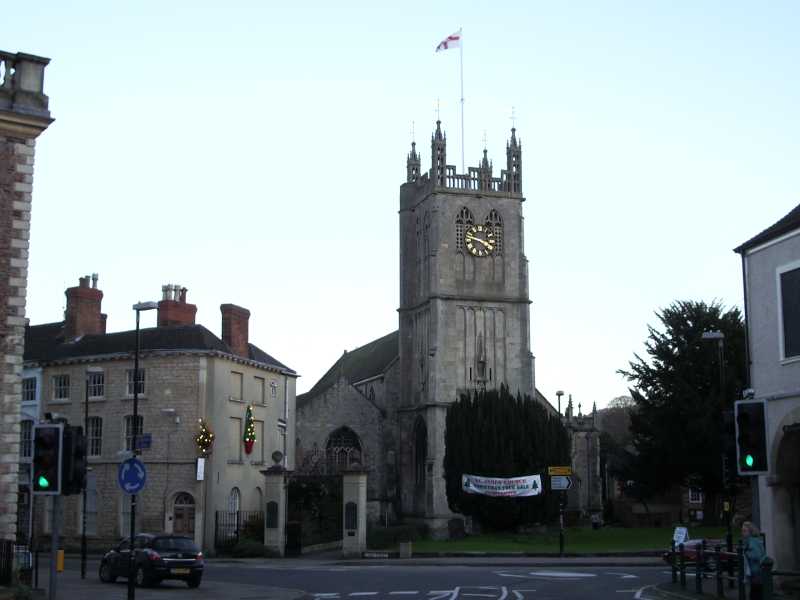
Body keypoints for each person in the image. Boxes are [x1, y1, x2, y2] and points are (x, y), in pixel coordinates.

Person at [741, 521, 766, 600]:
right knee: (755, 593)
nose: (742, 533)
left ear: (750, 532)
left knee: (755, 594)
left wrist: (747, 553)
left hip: (756, 572)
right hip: (755, 572)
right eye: (742, 531)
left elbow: (758, 555)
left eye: (745, 531)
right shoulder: (753, 541)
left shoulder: (752, 542)